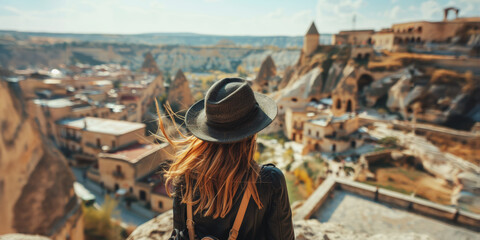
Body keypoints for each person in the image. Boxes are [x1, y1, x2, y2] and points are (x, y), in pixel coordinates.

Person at [157, 78, 294, 240]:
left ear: (207, 131)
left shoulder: (184, 178)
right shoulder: (270, 181)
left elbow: (179, 234)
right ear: (252, 133)